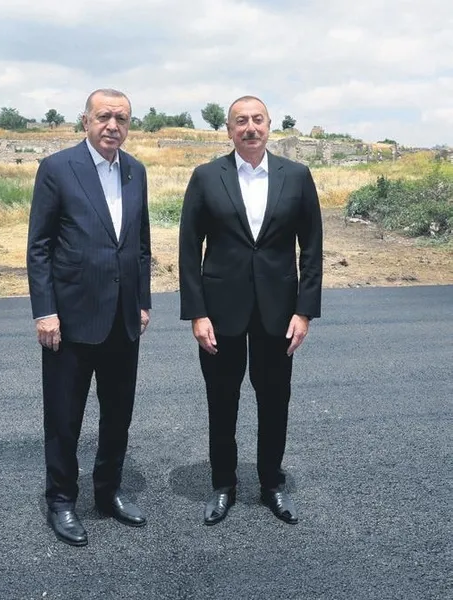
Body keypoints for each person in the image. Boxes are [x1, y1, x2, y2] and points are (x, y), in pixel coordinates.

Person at [179, 95, 322, 526]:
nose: (250, 128)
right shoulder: (207, 177)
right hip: (220, 312)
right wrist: (197, 313)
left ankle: (272, 484)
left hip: (278, 312)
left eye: (257, 119)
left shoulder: (296, 176)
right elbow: (188, 249)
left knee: (275, 400)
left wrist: (304, 312)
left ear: (269, 125)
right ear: (229, 130)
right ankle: (223, 485)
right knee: (222, 401)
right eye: (240, 121)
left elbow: (311, 249)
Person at [27, 88, 151, 546]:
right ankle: (61, 500)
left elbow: (140, 245)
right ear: (85, 121)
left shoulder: (135, 171)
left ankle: (107, 492)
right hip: (70, 320)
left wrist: (142, 302)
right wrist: (45, 311)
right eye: (103, 116)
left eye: (121, 118)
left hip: (123, 319)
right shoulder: (58, 168)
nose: (112, 125)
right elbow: (39, 247)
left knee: (117, 415)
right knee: (65, 418)